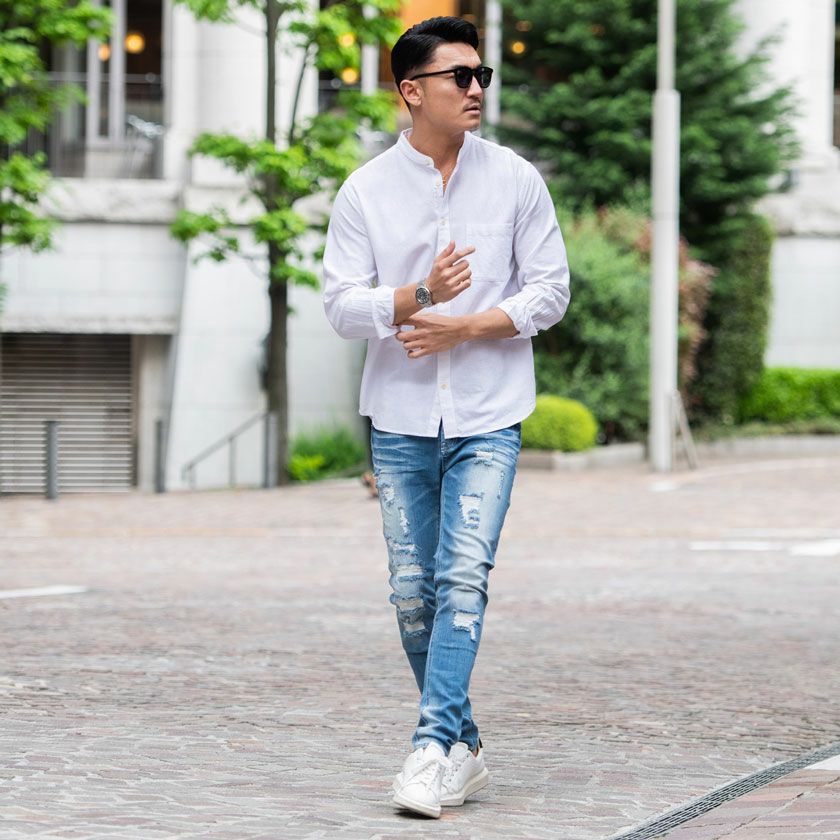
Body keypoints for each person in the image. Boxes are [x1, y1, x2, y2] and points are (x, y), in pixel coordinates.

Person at [322, 15, 570, 819]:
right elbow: (340, 307)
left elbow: (551, 292)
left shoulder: (516, 180)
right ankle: (464, 748)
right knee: (412, 592)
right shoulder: (365, 190)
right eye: (459, 76)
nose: (475, 89)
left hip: (490, 416)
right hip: (398, 421)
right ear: (411, 91)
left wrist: (466, 326)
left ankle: (430, 749)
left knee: (462, 576)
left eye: (480, 75)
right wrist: (419, 296)